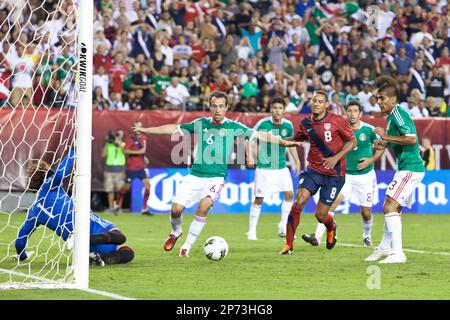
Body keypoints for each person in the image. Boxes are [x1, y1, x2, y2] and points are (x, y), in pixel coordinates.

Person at [133, 91, 285, 257]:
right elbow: (172, 129)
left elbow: (260, 135)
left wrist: (284, 142)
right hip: (195, 175)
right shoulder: (201, 123)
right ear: (210, 107)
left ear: (227, 107)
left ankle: (186, 247)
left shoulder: (233, 127)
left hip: (216, 177)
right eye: (214, 106)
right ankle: (176, 232)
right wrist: (147, 129)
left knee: (203, 207)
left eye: (221, 106)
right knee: (176, 210)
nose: (218, 109)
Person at [14, 148, 134, 266]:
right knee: (123, 242)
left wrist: (22, 255)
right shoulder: (49, 186)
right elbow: (60, 174)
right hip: (96, 231)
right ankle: (87, 243)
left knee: (123, 248)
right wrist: (74, 151)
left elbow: (20, 240)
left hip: (84, 248)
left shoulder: (34, 212)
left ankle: (98, 258)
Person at [279, 90, 357, 255]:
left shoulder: (337, 120)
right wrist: (284, 142)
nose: (316, 104)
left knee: (321, 215)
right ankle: (289, 244)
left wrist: (336, 157)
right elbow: (299, 139)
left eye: (320, 101)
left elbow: (352, 141)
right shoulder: (305, 123)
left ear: (326, 104)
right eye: (314, 101)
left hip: (334, 174)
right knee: (299, 201)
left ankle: (331, 226)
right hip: (313, 169)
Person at [301, 101, 384, 248]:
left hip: (365, 176)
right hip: (344, 176)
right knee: (330, 205)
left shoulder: (369, 130)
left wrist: (370, 160)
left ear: (360, 114)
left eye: (355, 111)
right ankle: (317, 237)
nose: (352, 114)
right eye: (349, 111)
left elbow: (382, 147)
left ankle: (366, 236)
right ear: (346, 113)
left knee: (366, 212)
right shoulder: (339, 129)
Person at [365, 77, 425, 264]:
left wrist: (386, 136)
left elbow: (412, 139)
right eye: (378, 98)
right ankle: (384, 247)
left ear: (393, 100)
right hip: (405, 167)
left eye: (382, 98)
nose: (379, 102)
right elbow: (400, 139)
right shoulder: (392, 118)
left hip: (410, 168)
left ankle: (398, 253)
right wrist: (384, 142)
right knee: (394, 207)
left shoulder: (398, 113)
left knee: (389, 205)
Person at [246, 96, 301, 240]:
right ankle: (251, 231)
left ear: (283, 110)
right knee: (259, 199)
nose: (277, 111)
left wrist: (297, 161)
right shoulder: (262, 123)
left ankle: (283, 226)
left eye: (280, 108)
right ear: (271, 109)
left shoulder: (288, 125)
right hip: (264, 168)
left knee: (289, 195)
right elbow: (248, 137)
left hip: (282, 167)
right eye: (274, 108)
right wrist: (249, 156)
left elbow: (290, 144)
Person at [114, 121, 152, 215]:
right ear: (133, 128)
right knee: (126, 187)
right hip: (131, 167)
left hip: (141, 167)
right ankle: (117, 203)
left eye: (140, 126)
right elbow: (125, 151)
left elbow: (143, 151)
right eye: (136, 127)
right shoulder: (130, 139)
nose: (138, 128)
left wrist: (144, 157)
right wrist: (139, 152)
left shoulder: (144, 138)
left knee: (148, 185)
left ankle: (144, 208)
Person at [101, 129, 126, 213]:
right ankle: (111, 208)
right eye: (117, 134)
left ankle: (118, 208)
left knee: (120, 190)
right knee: (110, 190)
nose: (118, 136)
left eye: (120, 135)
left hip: (120, 170)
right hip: (109, 169)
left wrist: (119, 144)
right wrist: (107, 142)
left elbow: (126, 154)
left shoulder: (124, 144)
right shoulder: (109, 144)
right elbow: (103, 155)